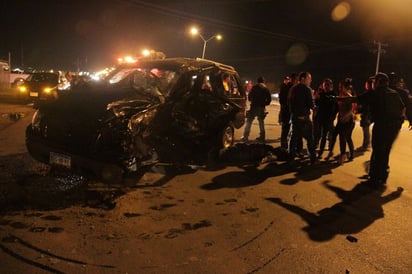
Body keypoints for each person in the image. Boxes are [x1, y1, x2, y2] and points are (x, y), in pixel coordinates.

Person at [365, 73, 405, 188]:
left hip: (381, 127)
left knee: (377, 152)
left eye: (374, 82)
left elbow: (359, 99)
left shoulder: (377, 93)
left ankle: (374, 179)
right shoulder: (394, 93)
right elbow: (402, 108)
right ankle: (382, 177)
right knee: (385, 152)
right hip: (392, 128)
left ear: (378, 82)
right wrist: (399, 123)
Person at [288, 71, 317, 164]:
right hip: (304, 119)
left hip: (295, 117)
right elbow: (311, 105)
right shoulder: (307, 89)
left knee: (293, 139)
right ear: (303, 79)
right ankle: (313, 159)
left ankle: (291, 158)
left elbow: (289, 103)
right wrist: (313, 99)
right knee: (310, 140)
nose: (311, 80)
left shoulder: (293, 89)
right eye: (309, 78)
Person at [325, 78, 357, 164]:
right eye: (339, 86)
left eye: (341, 86)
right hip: (341, 119)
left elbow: (351, 109)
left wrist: (345, 116)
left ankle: (344, 155)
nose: (339, 88)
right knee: (334, 134)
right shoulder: (340, 95)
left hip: (348, 121)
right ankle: (330, 152)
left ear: (345, 87)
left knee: (344, 137)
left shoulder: (348, 96)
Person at [240, 76, 272, 143]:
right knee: (261, 122)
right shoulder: (266, 89)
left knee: (249, 121)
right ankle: (262, 137)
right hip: (261, 108)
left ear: (257, 81)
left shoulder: (254, 88)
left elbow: (249, 97)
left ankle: (245, 136)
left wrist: (252, 101)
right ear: (263, 81)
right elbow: (269, 100)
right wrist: (264, 104)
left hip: (254, 107)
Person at [312, 78, 337, 158]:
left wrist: (332, 117)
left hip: (328, 118)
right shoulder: (321, 93)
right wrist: (316, 98)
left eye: (327, 85)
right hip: (319, 117)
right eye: (325, 85)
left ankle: (323, 151)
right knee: (318, 134)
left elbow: (335, 108)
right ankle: (317, 150)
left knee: (326, 135)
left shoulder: (333, 94)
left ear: (331, 86)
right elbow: (316, 104)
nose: (326, 86)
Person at [357, 77, 374, 150]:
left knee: (366, 129)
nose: (365, 85)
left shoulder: (368, 94)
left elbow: (359, 99)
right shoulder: (373, 93)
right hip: (370, 114)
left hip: (367, 114)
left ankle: (366, 145)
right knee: (366, 129)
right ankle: (367, 144)